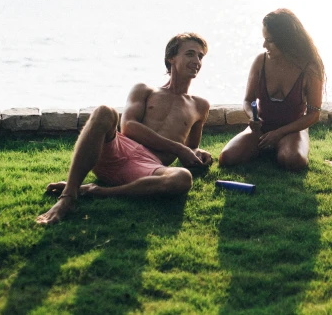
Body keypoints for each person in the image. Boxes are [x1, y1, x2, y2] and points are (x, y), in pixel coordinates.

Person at [36, 33, 214, 225]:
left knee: (182, 178)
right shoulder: (145, 90)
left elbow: (192, 147)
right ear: (171, 57)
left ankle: (96, 191)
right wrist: (179, 148)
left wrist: (198, 153)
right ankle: (68, 196)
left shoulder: (200, 105)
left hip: (149, 167)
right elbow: (128, 127)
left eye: (200, 56)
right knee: (105, 112)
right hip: (118, 151)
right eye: (190, 54)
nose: (197, 61)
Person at [219, 9, 324, 171]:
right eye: (264, 39)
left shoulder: (310, 67)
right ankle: (266, 147)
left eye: (270, 40)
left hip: (292, 130)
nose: (264, 45)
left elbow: (314, 114)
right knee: (227, 158)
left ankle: (280, 147)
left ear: (287, 41)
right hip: (262, 128)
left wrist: (279, 133)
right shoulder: (260, 61)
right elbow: (248, 100)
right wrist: (252, 117)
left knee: (293, 160)